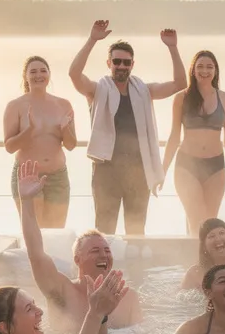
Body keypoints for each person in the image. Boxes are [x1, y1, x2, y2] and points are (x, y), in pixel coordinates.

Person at [69, 20, 186, 235]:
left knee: (136, 233)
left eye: (126, 62)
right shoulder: (97, 91)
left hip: (138, 171)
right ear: (109, 63)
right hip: (106, 170)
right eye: (117, 61)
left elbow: (180, 84)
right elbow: (74, 74)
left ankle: (135, 269)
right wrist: (92, 39)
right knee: (105, 233)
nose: (121, 66)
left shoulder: (144, 91)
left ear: (133, 64)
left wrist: (172, 47)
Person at [16, 160, 143, 330]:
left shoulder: (128, 298)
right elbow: (36, 254)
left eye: (107, 250)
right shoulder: (62, 291)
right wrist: (26, 200)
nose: (103, 255)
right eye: (95, 250)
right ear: (77, 259)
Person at [161, 50, 225, 232]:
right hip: (187, 165)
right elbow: (174, 136)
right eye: (200, 66)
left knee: (210, 223)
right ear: (193, 70)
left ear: (216, 71)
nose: (205, 71)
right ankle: (193, 259)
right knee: (196, 219)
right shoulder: (181, 98)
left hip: (215, 166)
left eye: (209, 67)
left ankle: (206, 260)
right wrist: (162, 170)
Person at [4, 55, 77, 228]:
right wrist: (29, 130)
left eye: (43, 71)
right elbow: (9, 146)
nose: (39, 75)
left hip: (57, 176)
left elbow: (71, 145)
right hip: (27, 175)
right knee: (34, 233)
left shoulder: (63, 104)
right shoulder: (15, 106)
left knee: (56, 234)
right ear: (26, 76)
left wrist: (65, 129)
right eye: (33, 71)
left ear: (49, 75)